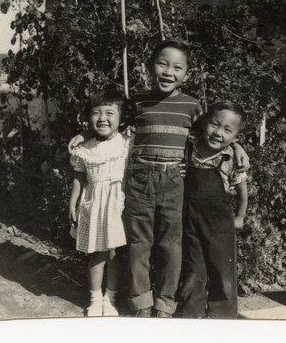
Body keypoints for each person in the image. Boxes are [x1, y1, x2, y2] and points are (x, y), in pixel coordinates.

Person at [69, 40, 249, 317]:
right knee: (140, 245)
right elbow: (110, 128)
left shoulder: (192, 107)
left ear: (186, 75)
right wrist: (85, 134)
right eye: (162, 64)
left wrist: (237, 146)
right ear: (149, 67)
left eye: (177, 67)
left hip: (174, 181)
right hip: (140, 180)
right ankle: (142, 303)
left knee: (170, 245)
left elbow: (214, 137)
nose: (168, 71)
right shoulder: (138, 102)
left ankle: (165, 303)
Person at [179, 100, 248, 319]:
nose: (219, 133)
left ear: (236, 136)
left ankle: (222, 316)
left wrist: (240, 215)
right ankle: (191, 312)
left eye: (227, 130)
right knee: (194, 267)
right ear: (205, 123)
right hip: (191, 219)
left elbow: (242, 191)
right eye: (214, 125)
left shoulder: (231, 159)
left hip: (220, 224)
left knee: (222, 269)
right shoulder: (190, 150)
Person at [68, 90, 132, 317]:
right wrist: (73, 202)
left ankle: (110, 299)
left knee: (114, 253)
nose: (102, 118)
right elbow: (79, 178)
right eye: (96, 113)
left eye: (109, 113)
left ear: (122, 118)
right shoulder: (84, 149)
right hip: (94, 203)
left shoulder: (126, 144)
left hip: (118, 204)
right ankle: (95, 299)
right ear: (88, 118)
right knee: (98, 253)